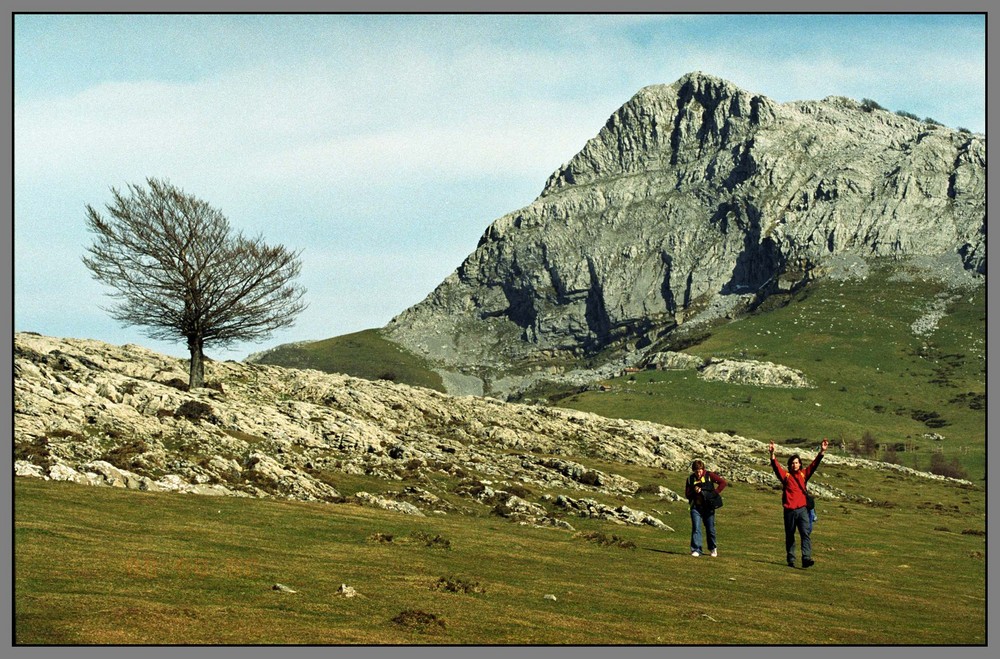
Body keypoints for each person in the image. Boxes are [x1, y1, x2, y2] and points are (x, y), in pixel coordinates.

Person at [769, 439, 828, 568]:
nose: (795, 465)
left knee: (805, 534)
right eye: (793, 463)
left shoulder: (803, 475)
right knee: (790, 535)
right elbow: (776, 468)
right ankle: (791, 559)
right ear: (790, 465)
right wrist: (772, 454)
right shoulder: (786, 476)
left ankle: (806, 558)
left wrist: (822, 451)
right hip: (789, 511)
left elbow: (814, 465)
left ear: (800, 464)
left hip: (802, 510)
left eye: (797, 463)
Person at [684, 459, 728, 557]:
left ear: (703, 469)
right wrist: (694, 491)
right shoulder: (690, 479)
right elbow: (687, 494)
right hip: (696, 507)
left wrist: (714, 493)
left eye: (699, 470)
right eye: (696, 471)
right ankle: (696, 549)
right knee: (696, 528)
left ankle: (713, 548)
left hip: (708, 507)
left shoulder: (709, 475)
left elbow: (723, 483)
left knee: (710, 529)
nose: (698, 473)